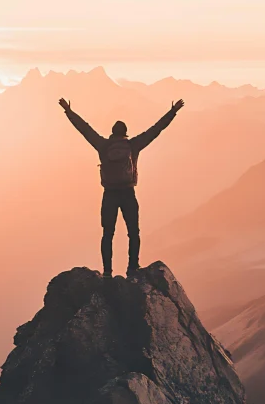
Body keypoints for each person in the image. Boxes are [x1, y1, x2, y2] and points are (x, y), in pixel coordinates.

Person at [59, 96, 185, 277]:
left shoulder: (102, 145)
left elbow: (84, 129)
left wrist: (68, 111)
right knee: (133, 232)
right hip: (128, 193)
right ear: (125, 133)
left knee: (107, 234)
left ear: (112, 133)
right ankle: (132, 267)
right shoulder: (133, 145)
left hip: (109, 194)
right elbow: (156, 130)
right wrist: (173, 112)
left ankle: (107, 272)